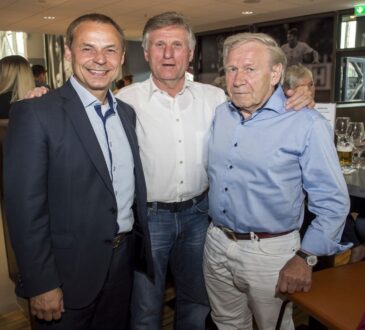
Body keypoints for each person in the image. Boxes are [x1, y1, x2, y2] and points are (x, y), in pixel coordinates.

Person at [115, 12, 316, 330]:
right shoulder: (122, 102)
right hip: (149, 220)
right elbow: (83, 122)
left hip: (201, 218)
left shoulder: (217, 100)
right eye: (160, 45)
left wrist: (297, 95)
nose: (169, 54)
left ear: (190, 53)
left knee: (197, 303)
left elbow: (262, 101)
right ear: (145, 52)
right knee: (145, 307)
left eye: (177, 45)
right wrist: (40, 97)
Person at [3, 13, 153, 330]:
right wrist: (40, 283)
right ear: (69, 53)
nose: (100, 59)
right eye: (88, 48)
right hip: (65, 275)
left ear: (122, 57)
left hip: (121, 264)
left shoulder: (126, 113)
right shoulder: (36, 112)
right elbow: (24, 210)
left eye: (110, 50)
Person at [204, 32, 350, 330]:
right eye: (232, 69)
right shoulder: (222, 114)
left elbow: (333, 202)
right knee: (226, 323)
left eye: (249, 68)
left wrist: (306, 257)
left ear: (275, 73)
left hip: (270, 254)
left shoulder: (306, 123)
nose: (238, 78)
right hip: (217, 242)